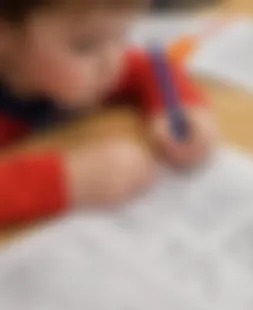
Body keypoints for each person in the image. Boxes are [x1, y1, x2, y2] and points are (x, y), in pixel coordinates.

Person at [0, 0, 217, 226]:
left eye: (122, 36)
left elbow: (150, 66)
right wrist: (71, 180)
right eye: (85, 46)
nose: (112, 62)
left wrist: (181, 106)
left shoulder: (66, 66)